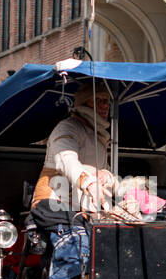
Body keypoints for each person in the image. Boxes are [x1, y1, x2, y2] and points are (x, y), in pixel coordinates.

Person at [31, 84, 117, 219]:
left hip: (84, 209)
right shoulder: (67, 127)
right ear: (84, 103)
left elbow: (105, 170)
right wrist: (90, 183)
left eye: (106, 101)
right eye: (97, 100)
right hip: (55, 206)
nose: (104, 106)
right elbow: (67, 161)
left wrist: (105, 175)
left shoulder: (98, 136)